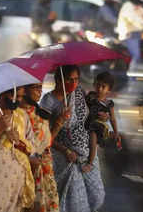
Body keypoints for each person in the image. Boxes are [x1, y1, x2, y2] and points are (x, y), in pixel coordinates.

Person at [40, 65, 106, 212]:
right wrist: (65, 149)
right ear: (58, 80)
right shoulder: (47, 102)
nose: (73, 83)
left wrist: (103, 116)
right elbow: (44, 137)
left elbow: (89, 117)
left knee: (97, 195)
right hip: (66, 157)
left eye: (76, 79)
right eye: (69, 80)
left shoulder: (79, 93)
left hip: (87, 151)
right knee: (75, 202)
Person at [20, 83, 67, 212]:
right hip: (26, 171)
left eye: (40, 87)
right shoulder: (17, 115)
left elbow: (47, 142)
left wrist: (60, 122)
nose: (39, 91)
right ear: (24, 90)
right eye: (35, 87)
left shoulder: (41, 113)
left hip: (45, 170)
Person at [82, 71, 121, 173]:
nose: (99, 88)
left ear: (108, 90)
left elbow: (112, 119)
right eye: (98, 85)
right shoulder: (90, 97)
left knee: (93, 137)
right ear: (94, 84)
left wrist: (116, 132)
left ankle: (90, 163)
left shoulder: (108, 104)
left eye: (103, 87)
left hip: (98, 126)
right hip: (87, 123)